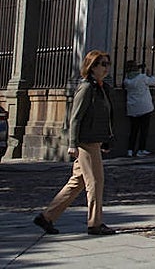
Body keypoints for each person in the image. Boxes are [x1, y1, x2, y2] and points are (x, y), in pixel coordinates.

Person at [33, 50, 117, 236]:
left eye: (107, 64)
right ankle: (95, 223)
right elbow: (76, 117)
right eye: (102, 64)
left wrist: (106, 138)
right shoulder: (86, 87)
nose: (106, 68)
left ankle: (46, 216)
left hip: (95, 139)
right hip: (85, 142)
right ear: (92, 66)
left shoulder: (102, 88)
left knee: (77, 182)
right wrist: (72, 143)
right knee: (95, 182)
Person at [122, 60, 155, 157]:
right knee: (143, 130)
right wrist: (150, 75)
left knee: (133, 130)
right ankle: (141, 149)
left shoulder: (126, 80)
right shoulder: (142, 77)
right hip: (145, 107)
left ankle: (130, 149)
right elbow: (153, 81)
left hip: (133, 107)